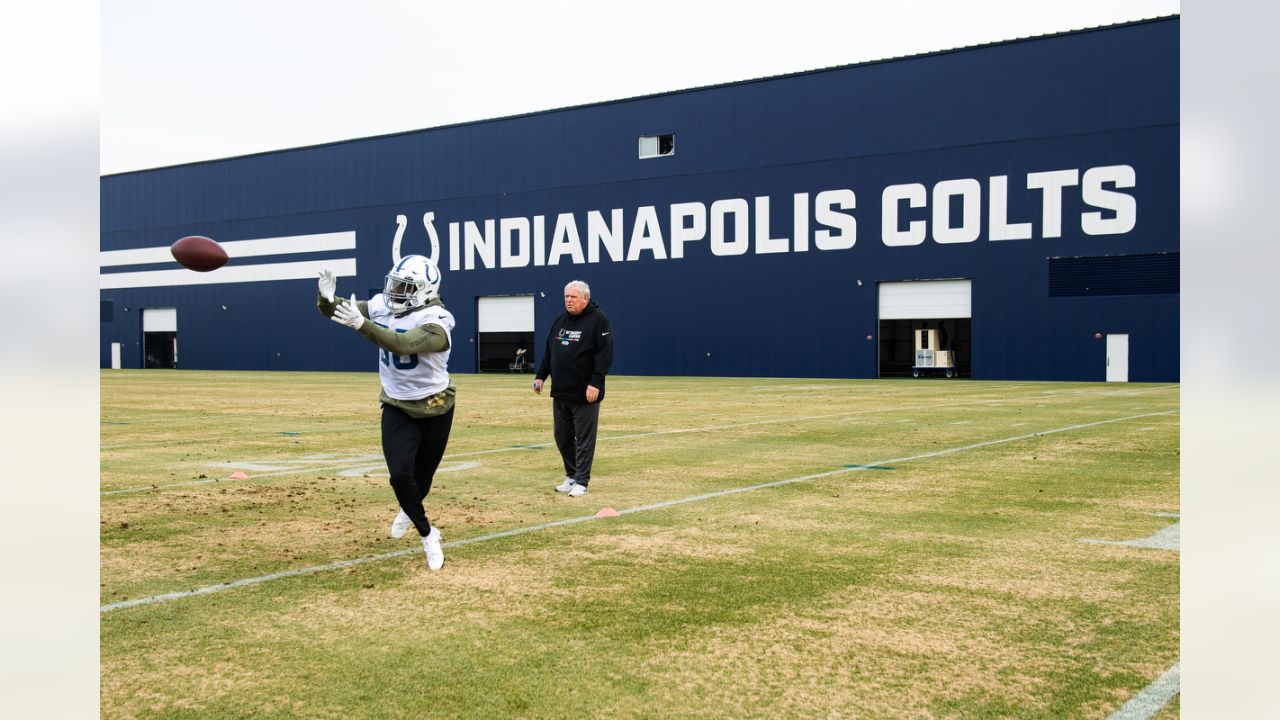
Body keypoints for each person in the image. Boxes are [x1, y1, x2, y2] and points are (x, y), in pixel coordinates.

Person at [316, 256, 455, 571]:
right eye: (395, 283)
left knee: (422, 477)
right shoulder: (383, 305)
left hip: (436, 405)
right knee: (400, 475)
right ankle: (428, 534)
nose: (395, 291)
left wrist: (363, 325)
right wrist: (326, 299)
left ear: (424, 290)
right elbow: (340, 311)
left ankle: (409, 510)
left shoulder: (437, 319)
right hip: (396, 404)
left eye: (405, 286)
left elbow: (402, 344)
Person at [532, 280, 613, 497]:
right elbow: (550, 351)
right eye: (566, 296)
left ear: (585, 298)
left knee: (584, 440)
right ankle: (571, 475)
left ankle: (582, 482)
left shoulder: (599, 320)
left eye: (573, 297)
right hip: (561, 391)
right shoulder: (560, 320)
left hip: (585, 393)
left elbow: (605, 355)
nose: (569, 300)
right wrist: (541, 376)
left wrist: (596, 382)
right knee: (562, 437)